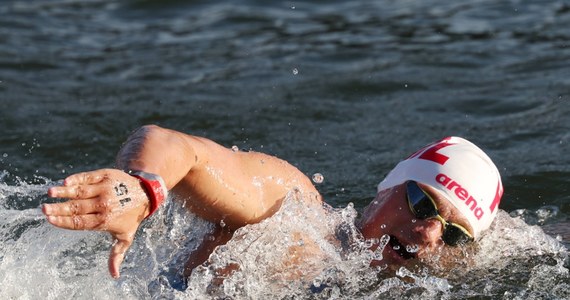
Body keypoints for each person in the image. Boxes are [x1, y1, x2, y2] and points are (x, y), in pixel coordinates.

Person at [42, 125, 503, 279]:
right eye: (423, 203)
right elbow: (176, 146)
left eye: (455, 233)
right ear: (387, 187)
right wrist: (140, 190)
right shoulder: (292, 214)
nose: (428, 232)